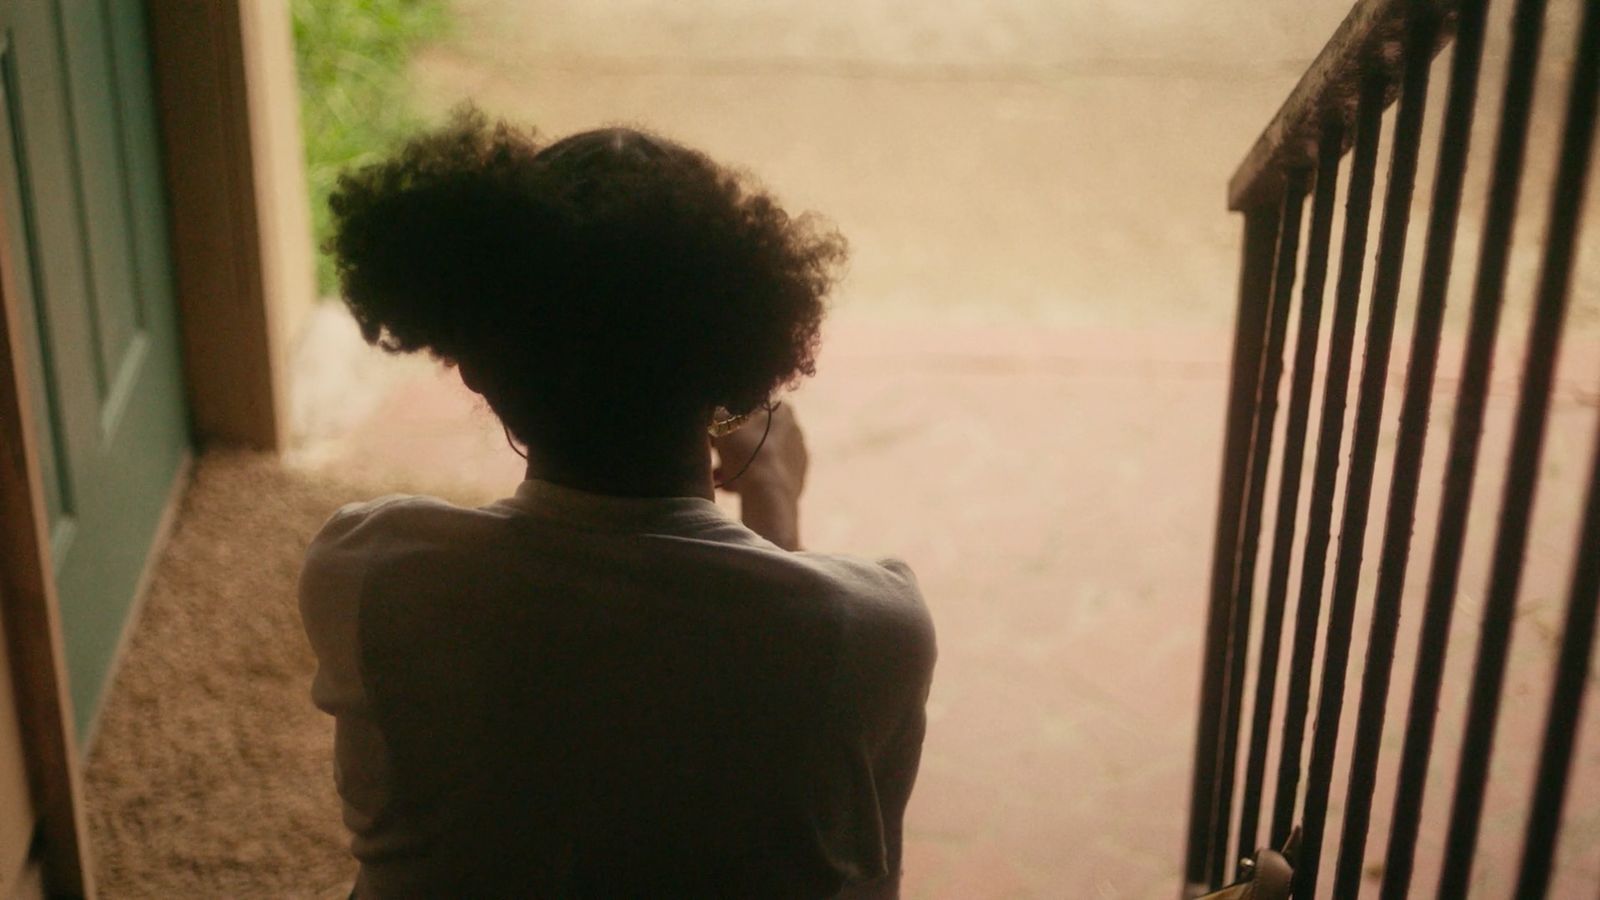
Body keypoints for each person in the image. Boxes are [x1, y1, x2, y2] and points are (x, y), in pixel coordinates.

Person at [298, 107, 937, 898]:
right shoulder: (875, 630)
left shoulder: (370, 573)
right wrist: (772, 496)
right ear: (745, 375)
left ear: (474, 368)